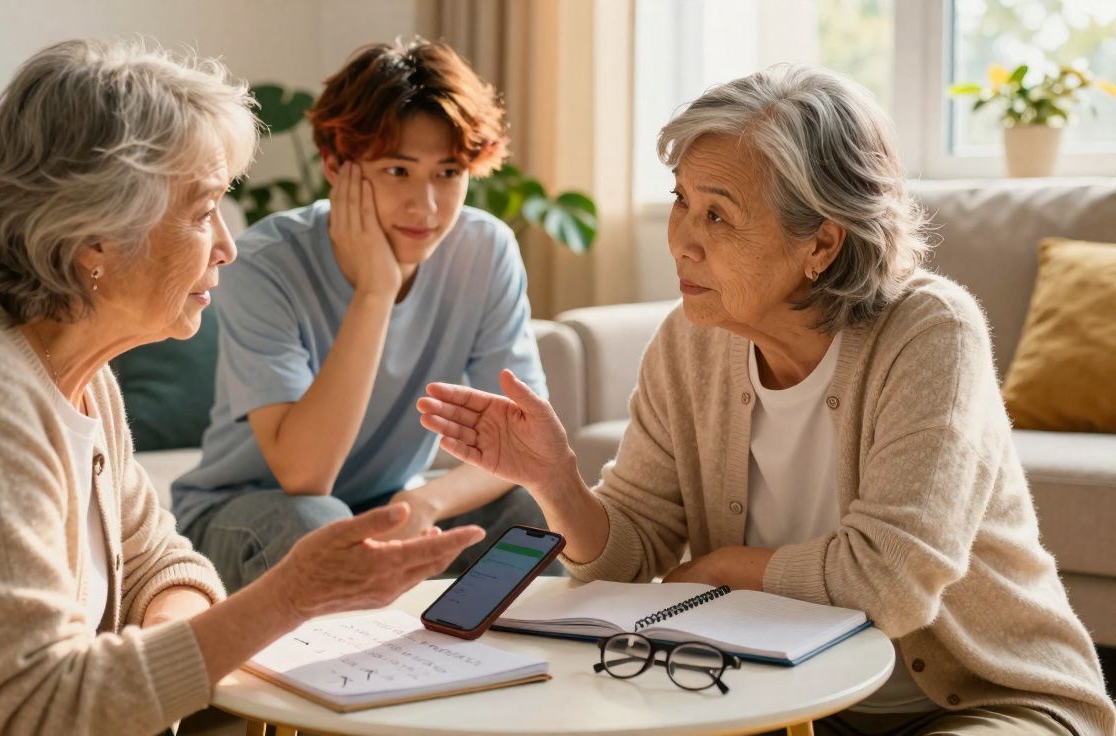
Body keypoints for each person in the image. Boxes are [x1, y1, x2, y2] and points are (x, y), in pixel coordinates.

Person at [0, 39, 483, 736]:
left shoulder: (77, 371)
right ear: (94, 234)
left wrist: (165, 646)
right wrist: (289, 597)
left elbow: (161, 560)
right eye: (202, 210)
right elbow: (36, 710)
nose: (226, 245)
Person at [418, 64, 1116, 735]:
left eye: (718, 216)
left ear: (821, 243)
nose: (681, 241)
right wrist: (558, 482)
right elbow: (625, 561)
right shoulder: (689, 344)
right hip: (791, 704)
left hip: (982, 703)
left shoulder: (932, 333)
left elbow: (892, 581)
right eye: (681, 201)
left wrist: (724, 569)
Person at [172, 38, 552, 592]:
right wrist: (376, 290)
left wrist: (424, 502)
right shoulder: (264, 261)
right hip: (250, 511)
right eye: (398, 171)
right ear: (336, 165)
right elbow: (305, 477)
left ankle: (513, 667)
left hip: (383, 503)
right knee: (317, 524)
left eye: (447, 172)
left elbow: (523, 444)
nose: (426, 206)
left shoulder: (483, 249)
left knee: (529, 512)